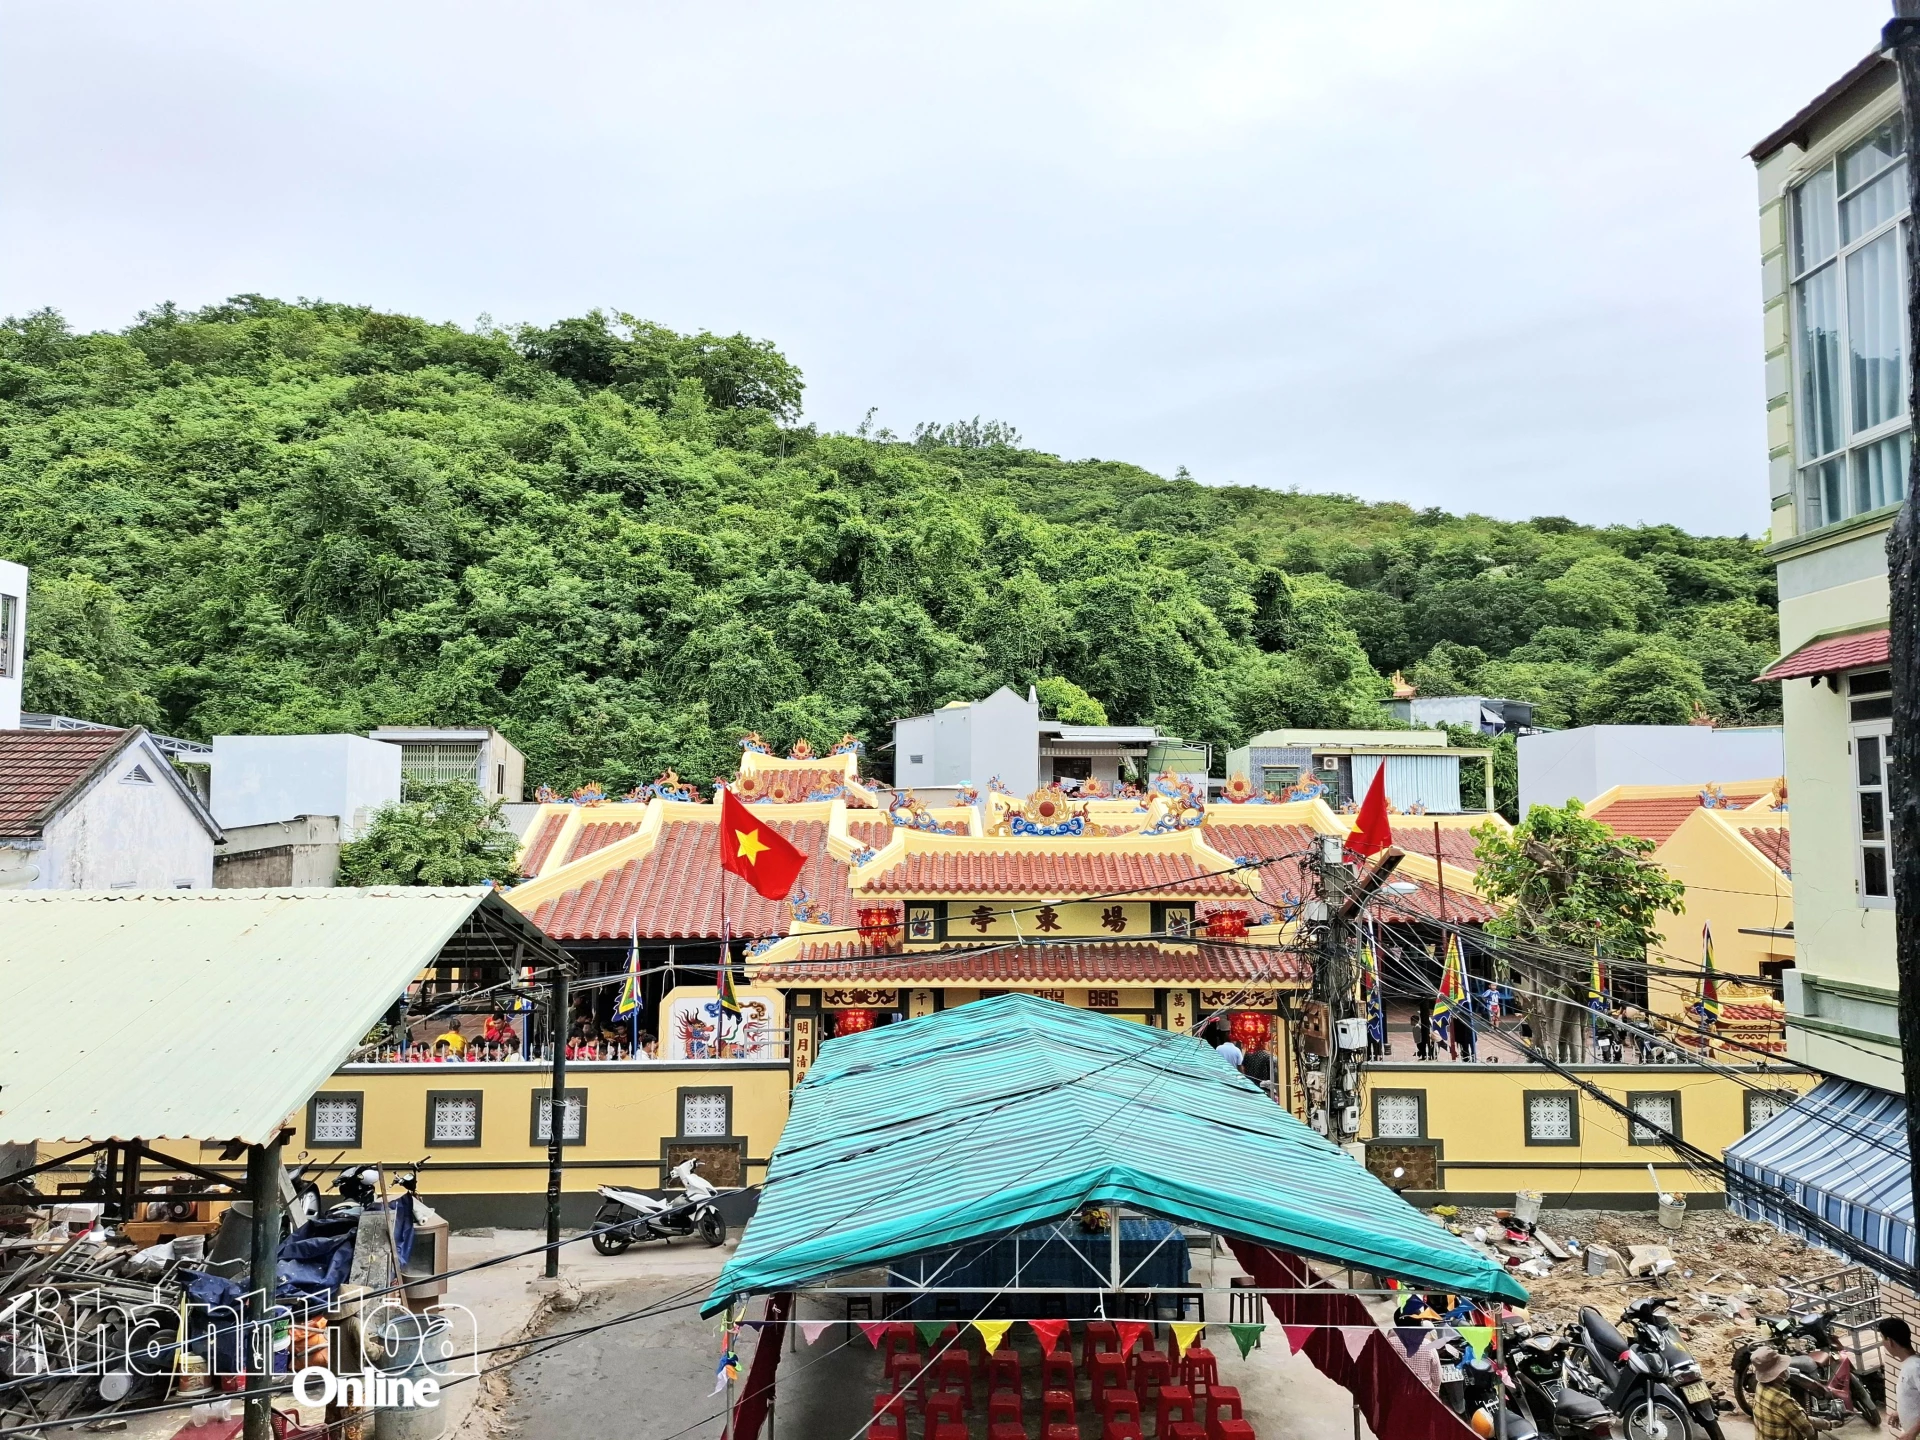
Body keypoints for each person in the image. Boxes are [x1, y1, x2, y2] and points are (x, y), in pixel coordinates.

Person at [1750, 1345, 1837, 1440]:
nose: (1786, 1369)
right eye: (1782, 1368)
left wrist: (1828, 1424)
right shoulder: (1782, 1400)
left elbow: (1799, 1418)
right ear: (1778, 1374)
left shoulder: (1759, 1387)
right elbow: (1807, 1429)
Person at [1880, 1317, 1919, 1440]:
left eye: (1882, 1338)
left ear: (1890, 1341)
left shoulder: (1916, 1367)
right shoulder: (1909, 1365)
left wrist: (1912, 1433)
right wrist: (1901, 1413)